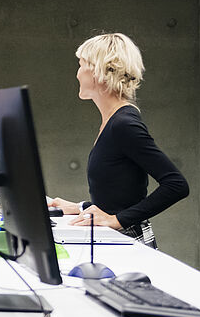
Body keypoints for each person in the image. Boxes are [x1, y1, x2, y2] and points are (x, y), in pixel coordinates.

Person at [49, 32, 188, 248]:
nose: (77, 74)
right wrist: (80, 207)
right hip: (118, 240)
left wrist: (116, 221)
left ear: (98, 71)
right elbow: (119, 199)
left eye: (81, 65)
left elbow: (176, 184)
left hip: (130, 242)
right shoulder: (112, 122)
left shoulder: (124, 125)